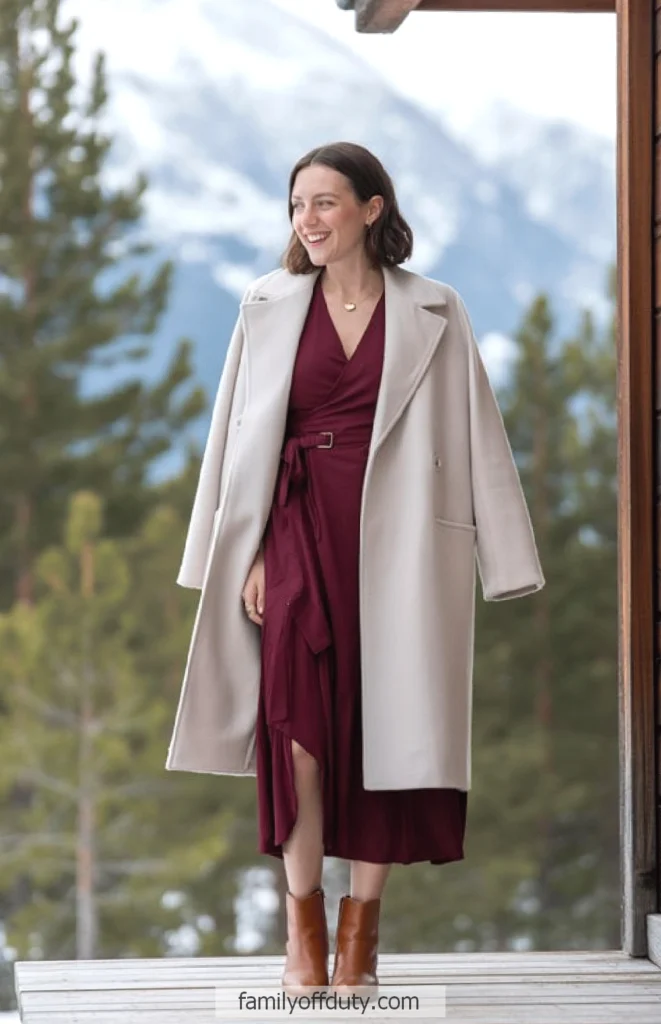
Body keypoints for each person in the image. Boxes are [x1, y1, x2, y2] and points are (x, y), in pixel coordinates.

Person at [167, 141, 545, 996]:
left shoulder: (435, 309)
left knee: (387, 729)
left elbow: (479, 429)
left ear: (373, 209)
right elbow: (230, 438)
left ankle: (360, 936)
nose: (307, 217)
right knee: (295, 733)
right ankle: (301, 922)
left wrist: (506, 558)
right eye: (297, 203)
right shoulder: (265, 304)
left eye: (326, 201)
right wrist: (239, 549)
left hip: (404, 541)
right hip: (297, 529)